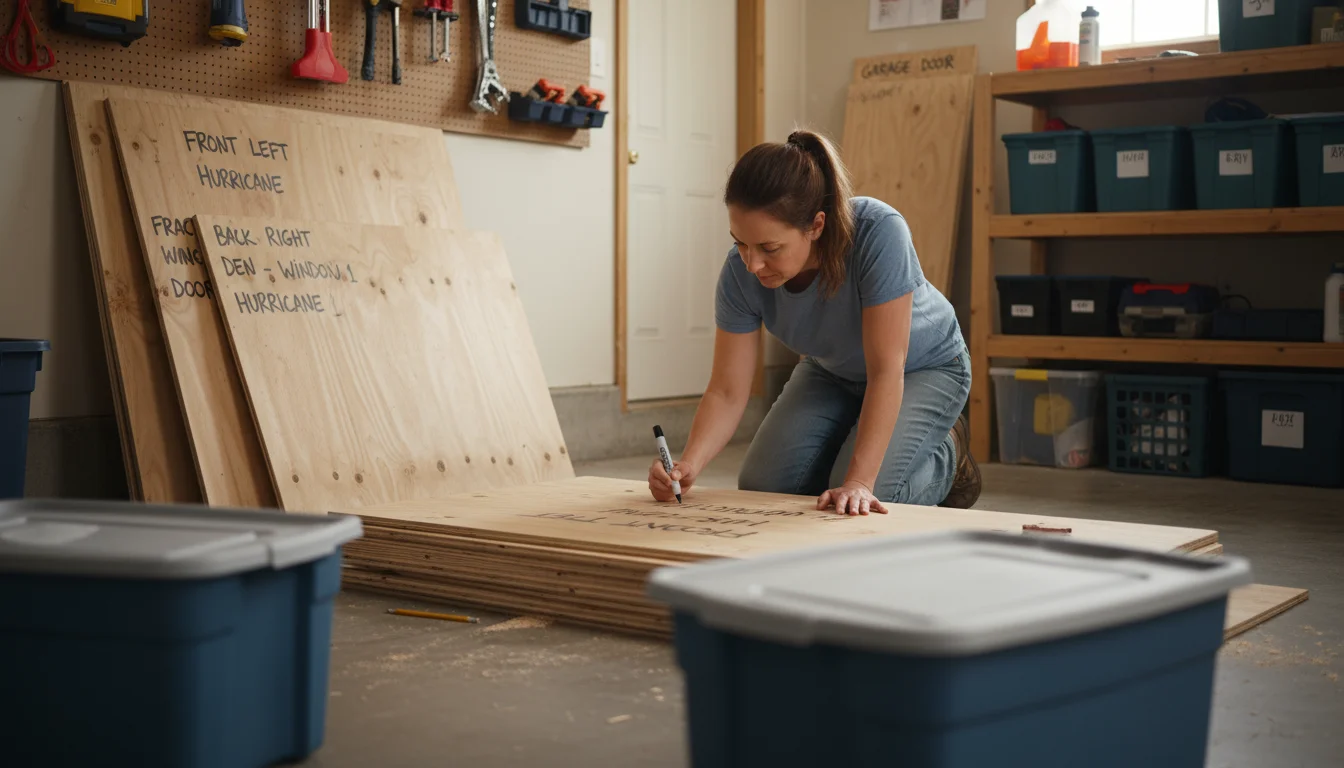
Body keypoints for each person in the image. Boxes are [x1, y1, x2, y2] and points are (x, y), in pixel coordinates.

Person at [647, 129, 980, 515]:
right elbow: (727, 390)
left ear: (817, 226)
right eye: (740, 242)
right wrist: (688, 466)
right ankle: (850, 459)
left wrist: (858, 482)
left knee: (870, 497)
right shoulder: (739, 274)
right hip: (832, 371)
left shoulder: (878, 232)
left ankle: (950, 457)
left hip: (925, 368)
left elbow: (888, 370)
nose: (752, 264)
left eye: (769, 248)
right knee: (763, 487)